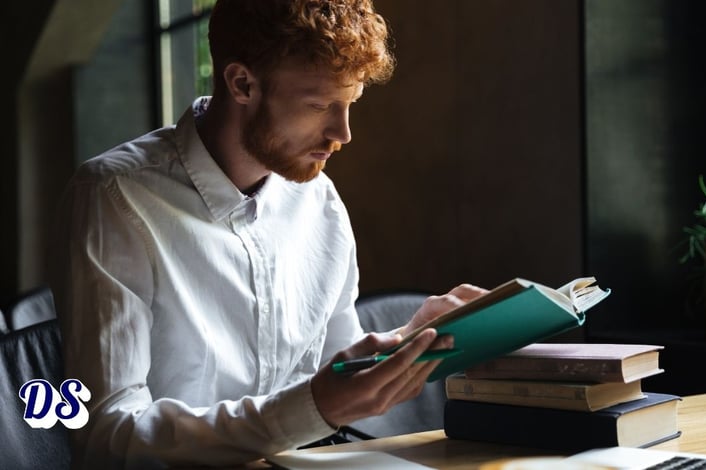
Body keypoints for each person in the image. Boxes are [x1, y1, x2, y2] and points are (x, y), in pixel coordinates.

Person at [49, 0, 487, 468]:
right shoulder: (114, 196)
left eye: (350, 103)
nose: (343, 133)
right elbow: (105, 431)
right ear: (242, 83)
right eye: (319, 105)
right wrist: (314, 408)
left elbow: (331, 372)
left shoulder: (319, 200)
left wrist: (410, 343)